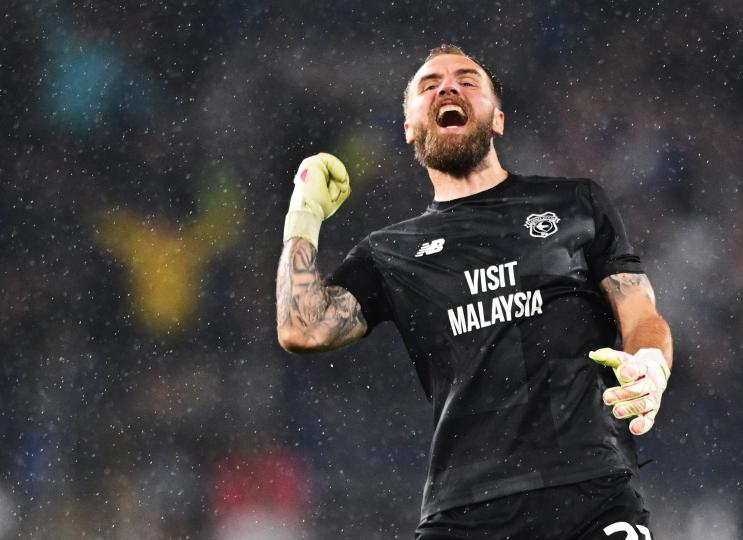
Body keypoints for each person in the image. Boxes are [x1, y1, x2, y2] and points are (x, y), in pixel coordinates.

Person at [275, 44, 673, 540]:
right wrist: (303, 216)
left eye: (467, 80)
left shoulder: (575, 203)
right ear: (409, 129)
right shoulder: (389, 251)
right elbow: (303, 328)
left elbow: (640, 313)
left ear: (498, 118)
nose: (448, 87)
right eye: (429, 85)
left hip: (589, 491)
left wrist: (651, 364)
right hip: (464, 509)